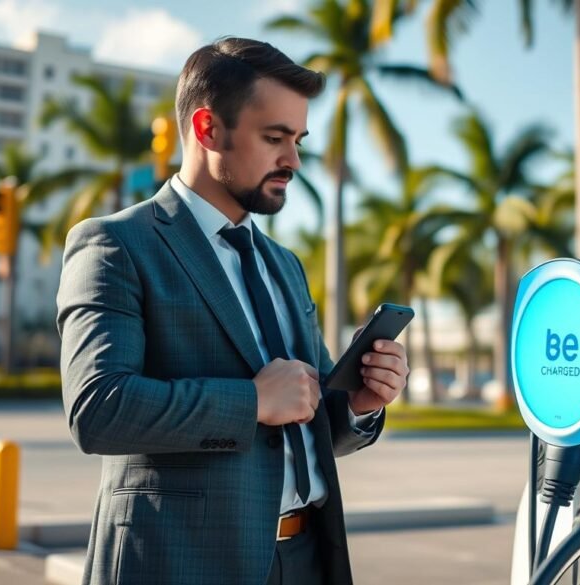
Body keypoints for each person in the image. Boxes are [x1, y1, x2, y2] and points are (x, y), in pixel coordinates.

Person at [56, 37, 409, 585]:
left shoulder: (284, 265)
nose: (293, 159)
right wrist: (250, 402)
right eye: (275, 138)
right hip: (180, 563)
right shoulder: (116, 244)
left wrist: (360, 404)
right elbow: (98, 409)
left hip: (306, 558)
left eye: (298, 140)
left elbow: (305, 423)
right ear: (207, 129)